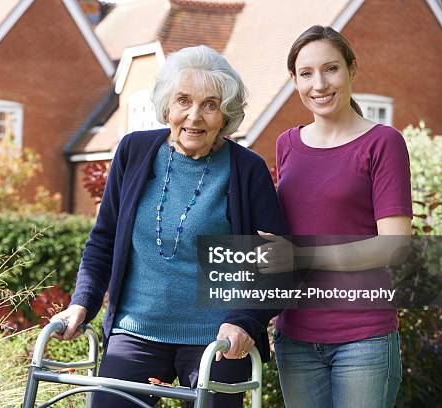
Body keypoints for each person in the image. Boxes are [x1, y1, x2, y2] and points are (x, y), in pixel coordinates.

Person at [51, 45, 286, 408]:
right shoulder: (133, 152)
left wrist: (244, 321)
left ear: (225, 115)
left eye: (210, 104)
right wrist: (82, 303)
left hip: (216, 339)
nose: (194, 116)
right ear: (167, 106)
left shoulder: (246, 169)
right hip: (136, 331)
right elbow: (105, 240)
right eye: (183, 100)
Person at [270, 25, 412, 408]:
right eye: (306, 73)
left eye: (331, 69)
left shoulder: (383, 142)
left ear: (351, 69)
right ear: (294, 80)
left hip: (363, 337)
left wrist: (304, 256)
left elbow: (394, 246)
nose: (319, 84)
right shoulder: (287, 144)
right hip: (294, 336)